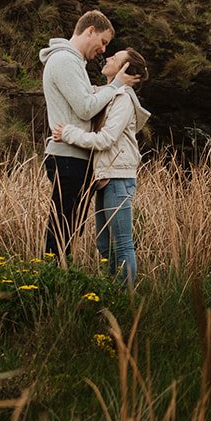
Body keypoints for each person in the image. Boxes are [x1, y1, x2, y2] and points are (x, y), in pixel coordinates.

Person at [39, 10, 138, 262]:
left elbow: (87, 104)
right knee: (63, 227)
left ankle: (59, 280)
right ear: (90, 31)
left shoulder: (74, 63)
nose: (103, 50)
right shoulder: (65, 61)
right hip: (68, 158)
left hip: (76, 157)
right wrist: (115, 85)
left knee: (69, 228)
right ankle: (52, 284)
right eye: (103, 42)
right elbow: (85, 107)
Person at [53, 48, 150, 287]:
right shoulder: (107, 94)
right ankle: (111, 291)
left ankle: (125, 300)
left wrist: (68, 133)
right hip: (106, 177)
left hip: (118, 178)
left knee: (123, 243)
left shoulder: (123, 99)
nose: (107, 58)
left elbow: (106, 139)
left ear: (126, 70)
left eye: (115, 59)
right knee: (104, 244)